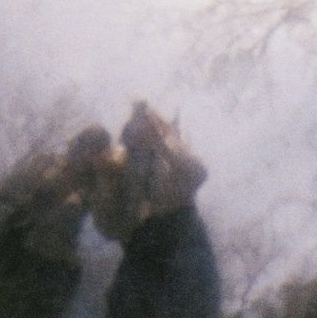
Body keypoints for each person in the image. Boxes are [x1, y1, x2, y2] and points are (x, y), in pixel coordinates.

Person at [91, 105, 221, 318]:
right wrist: (104, 180)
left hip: (183, 239)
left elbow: (198, 174)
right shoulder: (120, 168)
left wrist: (161, 144)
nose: (141, 131)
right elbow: (111, 229)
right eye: (134, 127)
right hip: (140, 251)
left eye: (148, 124)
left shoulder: (173, 152)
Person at [0, 127, 115, 318]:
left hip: (51, 268)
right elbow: (7, 196)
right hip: (15, 249)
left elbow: (109, 225)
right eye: (88, 147)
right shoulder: (47, 164)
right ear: (80, 145)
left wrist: (107, 175)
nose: (88, 155)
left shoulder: (96, 188)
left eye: (96, 151)